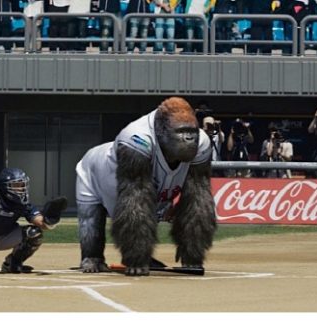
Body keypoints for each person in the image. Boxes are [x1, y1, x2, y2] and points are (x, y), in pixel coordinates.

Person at [76, 97, 217, 276]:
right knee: (97, 216)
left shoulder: (202, 142)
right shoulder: (136, 139)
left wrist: (193, 253)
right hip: (94, 172)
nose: (189, 139)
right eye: (181, 132)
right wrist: (136, 258)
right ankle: (93, 257)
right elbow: (134, 202)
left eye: (191, 132)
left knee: (199, 203)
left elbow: (198, 197)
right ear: (162, 130)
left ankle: (190, 257)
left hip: (155, 184)